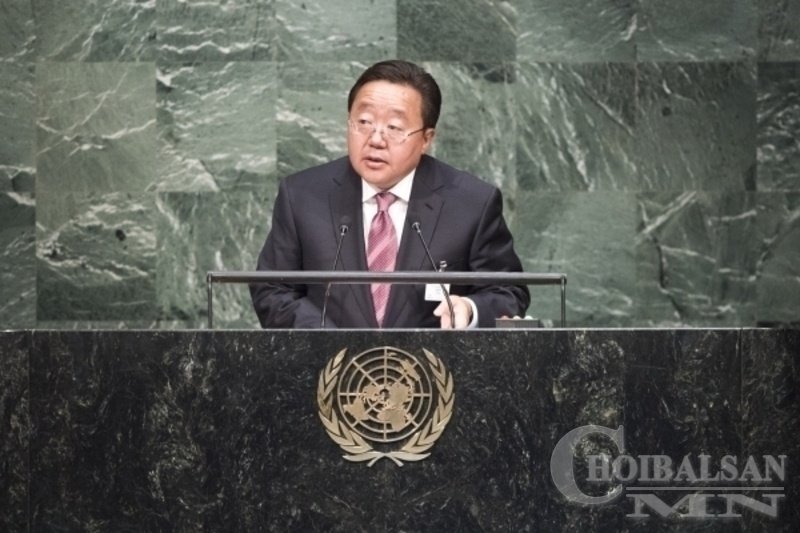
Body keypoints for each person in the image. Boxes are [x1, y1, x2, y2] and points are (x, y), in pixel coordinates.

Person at [250, 59, 529, 329]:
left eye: (394, 128)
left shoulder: (471, 203)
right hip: (329, 360)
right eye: (363, 122)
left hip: (430, 360)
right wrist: (325, 338)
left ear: (426, 139)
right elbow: (272, 289)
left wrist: (469, 309)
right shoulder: (302, 196)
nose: (375, 139)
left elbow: (508, 292)